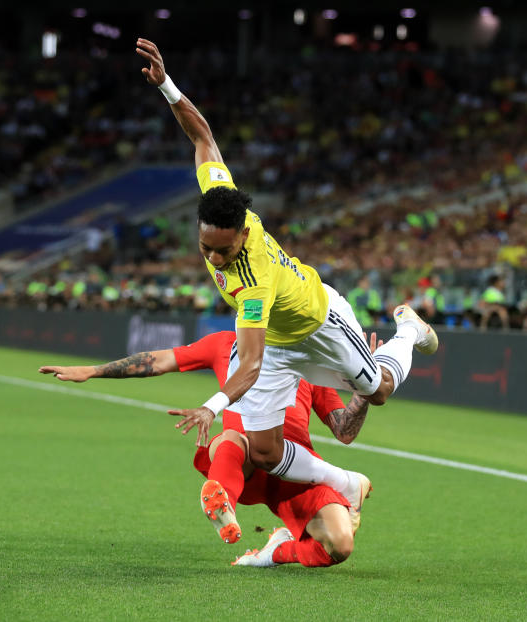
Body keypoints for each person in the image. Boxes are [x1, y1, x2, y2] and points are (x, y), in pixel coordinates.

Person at [134, 37, 438, 527]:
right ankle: (345, 482)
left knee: (377, 390)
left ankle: (409, 330)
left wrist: (212, 406)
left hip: (320, 321)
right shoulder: (220, 198)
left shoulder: (253, 279)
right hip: (277, 341)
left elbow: (249, 363)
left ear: (240, 237)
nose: (214, 256)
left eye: (224, 250)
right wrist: (167, 85)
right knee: (265, 451)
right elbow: (203, 139)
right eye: (206, 245)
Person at [38, 330, 371, 567]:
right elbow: (160, 360)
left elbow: (343, 430)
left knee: (340, 545)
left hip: (294, 469)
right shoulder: (226, 344)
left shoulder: (308, 362)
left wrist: (365, 390)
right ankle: (221, 500)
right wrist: (94, 371)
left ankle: (276, 550)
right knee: (232, 439)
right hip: (244, 460)